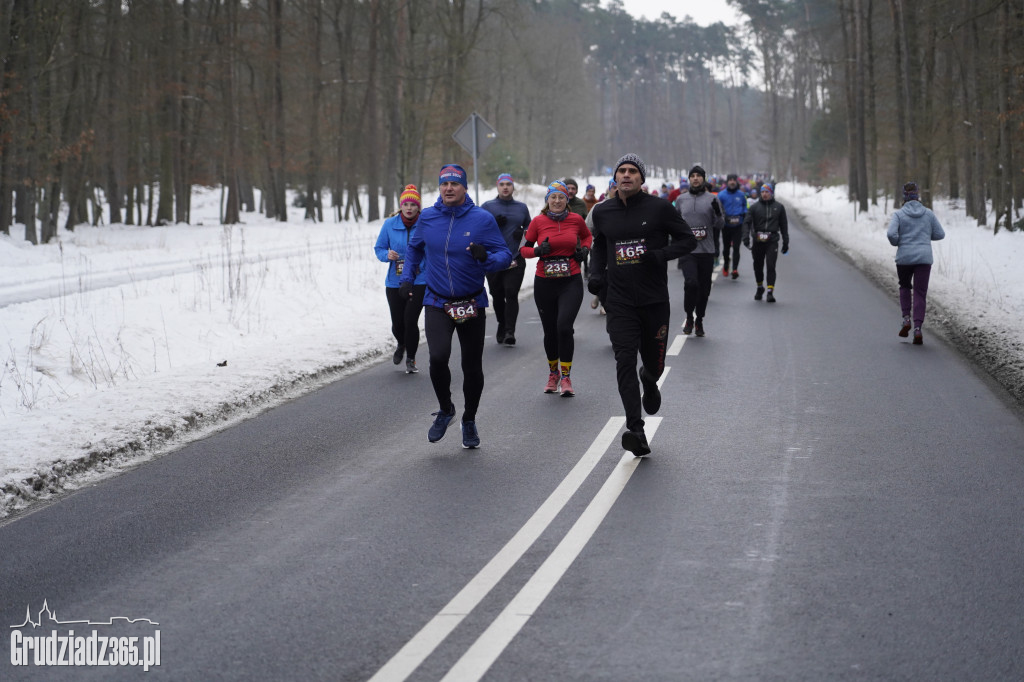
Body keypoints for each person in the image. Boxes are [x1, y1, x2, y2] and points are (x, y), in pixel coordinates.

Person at [589, 153, 697, 456]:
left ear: (642, 178)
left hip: (653, 300)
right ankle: (635, 429)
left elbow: (687, 240)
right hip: (620, 300)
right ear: (615, 177)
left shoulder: (660, 208)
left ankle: (649, 380)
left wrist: (661, 254)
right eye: (621, 171)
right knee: (624, 359)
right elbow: (599, 245)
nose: (626, 175)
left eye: (632, 171)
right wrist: (597, 275)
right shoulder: (603, 212)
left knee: (653, 364)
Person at [399, 164, 513, 448]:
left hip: (471, 301)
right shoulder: (427, 218)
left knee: (471, 365)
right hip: (437, 300)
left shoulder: (482, 220)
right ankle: (446, 409)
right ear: (439, 188)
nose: (448, 188)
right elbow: (414, 248)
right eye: (444, 184)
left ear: (464, 187)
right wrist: (407, 277)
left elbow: (504, 255)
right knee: (437, 357)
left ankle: (469, 419)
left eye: (454, 184)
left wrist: (485, 257)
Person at [521, 181, 592, 396]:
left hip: (570, 280)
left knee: (563, 327)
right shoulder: (537, 222)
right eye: (553, 197)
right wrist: (538, 251)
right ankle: (553, 374)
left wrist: (585, 250)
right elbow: (523, 249)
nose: (557, 201)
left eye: (561, 197)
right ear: (547, 200)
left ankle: (567, 377)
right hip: (545, 282)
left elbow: (587, 236)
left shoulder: (576, 219)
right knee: (550, 330)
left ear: (567, 200)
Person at [374, 184, 427, 373]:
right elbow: (379, 248)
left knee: (410, 320)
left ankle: (411, 359)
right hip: (394, 281)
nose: (410, 208)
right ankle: (401, 344)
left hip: (419, 280)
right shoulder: (390, 225)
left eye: (413, 204)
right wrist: (386, 255)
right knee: (397, 323)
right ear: (401, 206)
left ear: (418, 207)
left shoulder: (426, 224)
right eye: (406, 204)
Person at [886, 181, 945, 344]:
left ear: (904, 196)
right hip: (924, 259)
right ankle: (918, 329)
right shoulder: (928, 214)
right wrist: (924, 237)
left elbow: (891, 234)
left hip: (904, 258)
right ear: (918, 194)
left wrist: (899, 242)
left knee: (905, 286)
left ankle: (906, 319)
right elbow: (940, 234)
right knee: (920, 292)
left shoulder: (898, 215)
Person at [481, 173, 532, 346]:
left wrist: (523, 235)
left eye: (508, 184)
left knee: (511, 293)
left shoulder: (522, 207)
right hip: (493, 258)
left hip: (515, 257)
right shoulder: (488, 206)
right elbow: (477, 229)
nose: (505, 187)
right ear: (497, 186)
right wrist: (493, 223)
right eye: (502, 184)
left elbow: (531, 231)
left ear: (513, 187)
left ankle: (510, 331)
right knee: (497, 294)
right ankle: (502, 324)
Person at [674, 165, 724, 336]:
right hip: (688, 251)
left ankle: (699, 319)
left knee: (704, 290)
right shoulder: (681, 200)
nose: (695, 178)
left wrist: (717, 213)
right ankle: (689, 316)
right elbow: (674, 223)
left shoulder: (713, 199)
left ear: (704, 178)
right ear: (689, 179)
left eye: (698, 176)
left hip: (706, 250)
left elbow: (720, 225)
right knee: (691, 283)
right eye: (692, 176)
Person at [742, 182, 789, 302]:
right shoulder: (754, 207)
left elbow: (784, 225)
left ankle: (770, 291)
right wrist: (746, 237)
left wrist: (785, 242)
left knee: (770, 265)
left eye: (767, 192)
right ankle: (759, 287)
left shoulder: (779, 207)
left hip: (772, 240)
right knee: (758, 266)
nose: (764, 194)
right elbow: (746, 222)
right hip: (758, 241)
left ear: (771, 193)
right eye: (762, 192)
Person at [717, 173, 748, 280]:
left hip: (738, 225)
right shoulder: (721, 195)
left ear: (736, 181)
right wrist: (721, 217)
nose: (732, 182)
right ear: (727, 182)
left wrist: (743, 214)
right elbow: (717, 209)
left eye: (733, 180)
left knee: (736, 248)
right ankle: (726, 264)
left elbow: (745, 206)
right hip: (726, 225)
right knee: (726, 248)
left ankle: (735, 269)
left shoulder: (741, 195)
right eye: (730, 180)